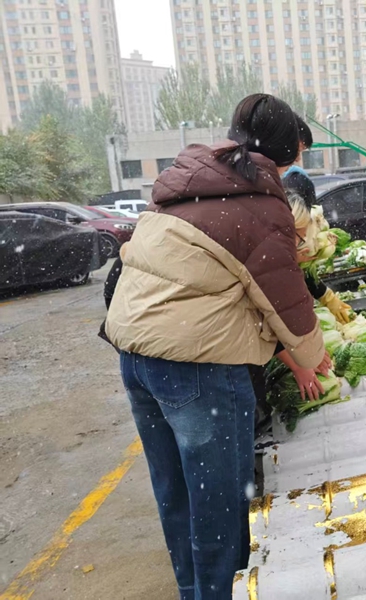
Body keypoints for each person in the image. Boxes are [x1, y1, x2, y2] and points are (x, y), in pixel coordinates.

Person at [105, 94, 325, 600]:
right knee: (219, 507)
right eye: (298, 148)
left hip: (135, 356)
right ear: (286, 149)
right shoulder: (260, 203)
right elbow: (284, 297)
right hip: (196, 365)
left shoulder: (184, 183)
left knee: (176, 492)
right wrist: (312, 358)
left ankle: (192, 590)